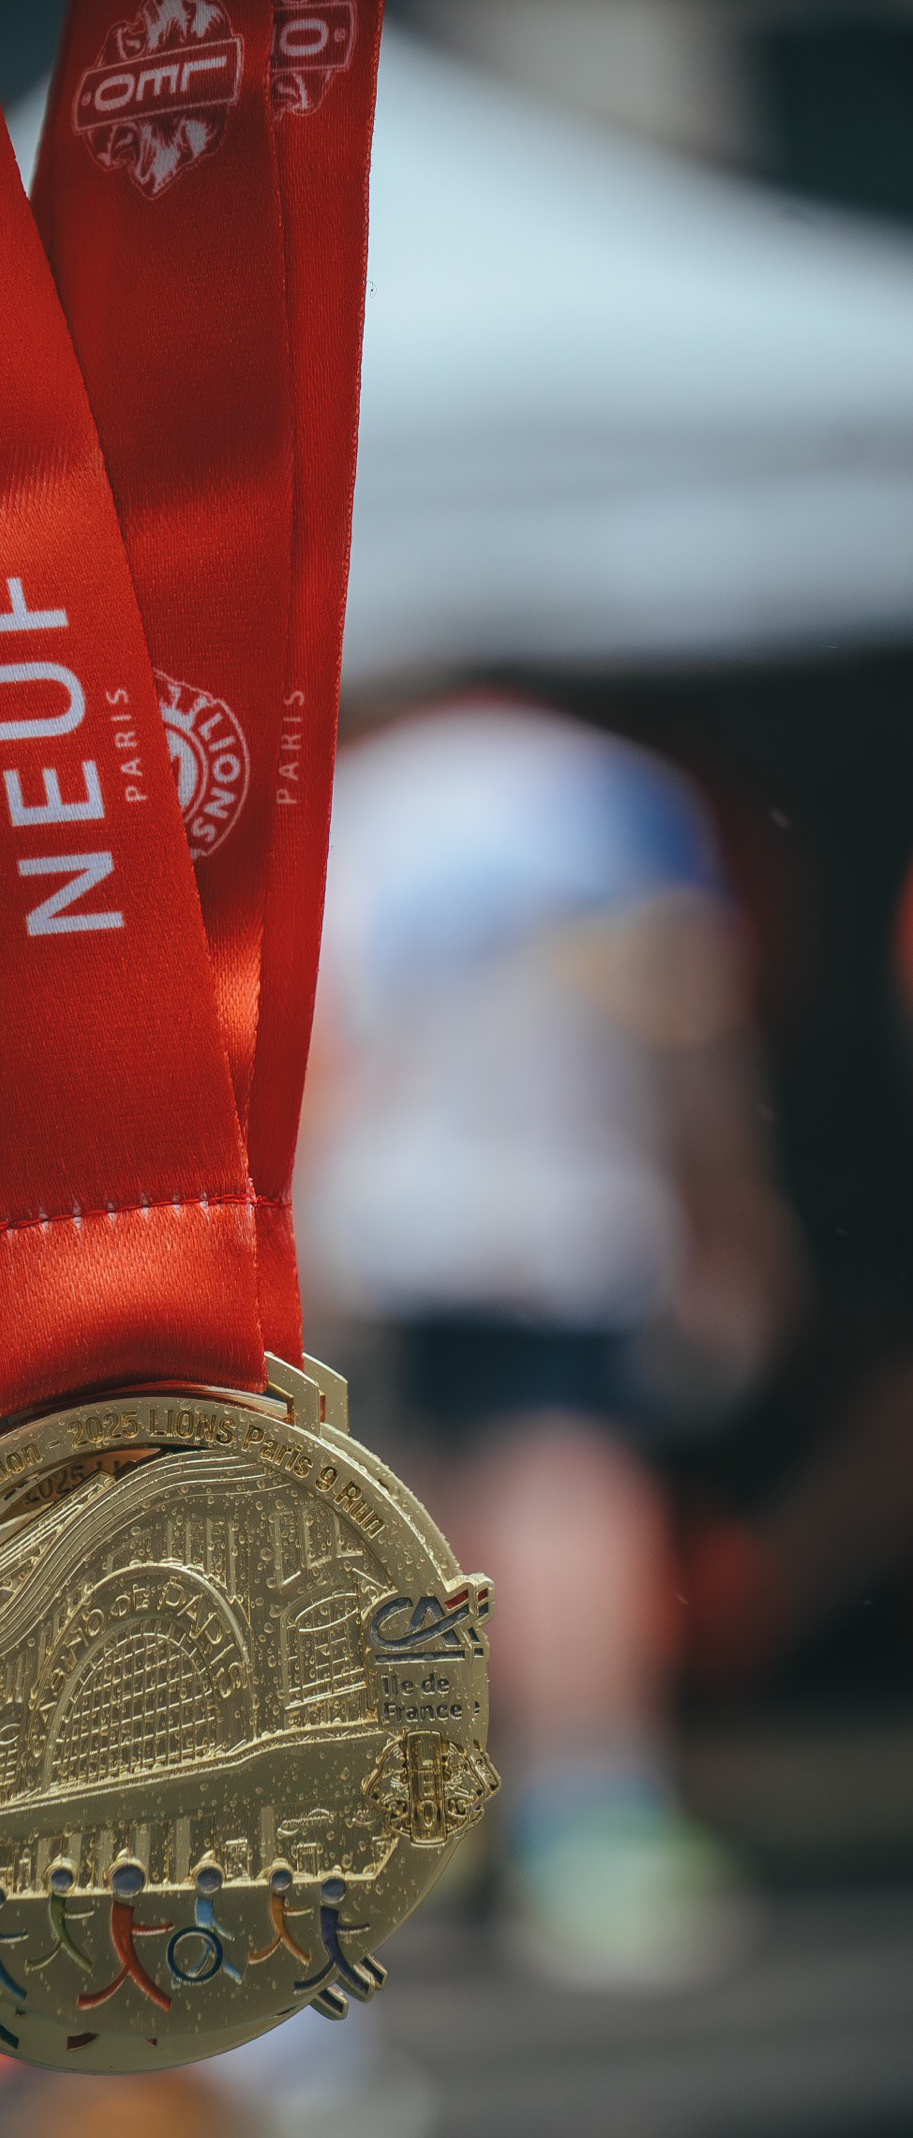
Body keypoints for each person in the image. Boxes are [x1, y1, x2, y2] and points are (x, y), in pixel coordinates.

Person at [298, 692, 802, 1987]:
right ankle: (591, 1817)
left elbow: (315, 1042)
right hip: (570, 1209)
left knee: (413, 1503)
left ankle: (436, 1810)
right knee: (567, 1485)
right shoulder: (615, 792)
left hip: (393, 1214)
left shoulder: (357, 801)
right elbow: (692, 1019)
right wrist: (732, 1207)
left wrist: (292, 1229)